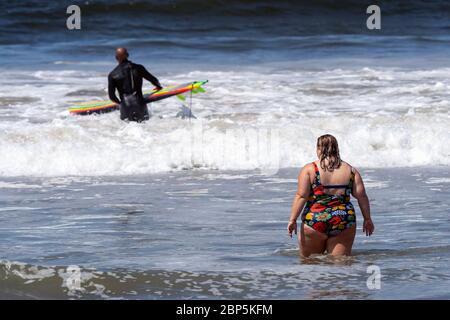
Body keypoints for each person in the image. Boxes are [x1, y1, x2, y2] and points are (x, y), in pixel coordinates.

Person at [287, 134, 374, 257]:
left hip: (315, 218)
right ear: (336, 148)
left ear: (319, 149)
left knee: (310, 264)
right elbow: (362, 196)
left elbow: (301, 196)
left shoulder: (310, 169)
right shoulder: (351, 171)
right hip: (343, 219)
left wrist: (292, 219)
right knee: (340, 265)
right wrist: (367, 219)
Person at [108, 47, 162, 122]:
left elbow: (112, 97)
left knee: (127, 130)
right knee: (145, 128)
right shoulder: (139, 68)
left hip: (125, 106)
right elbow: (153, 80)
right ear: (128, 55)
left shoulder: (112, 74)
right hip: (139, 103)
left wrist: (121, 103)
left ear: (116, 58)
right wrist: (158, 86)